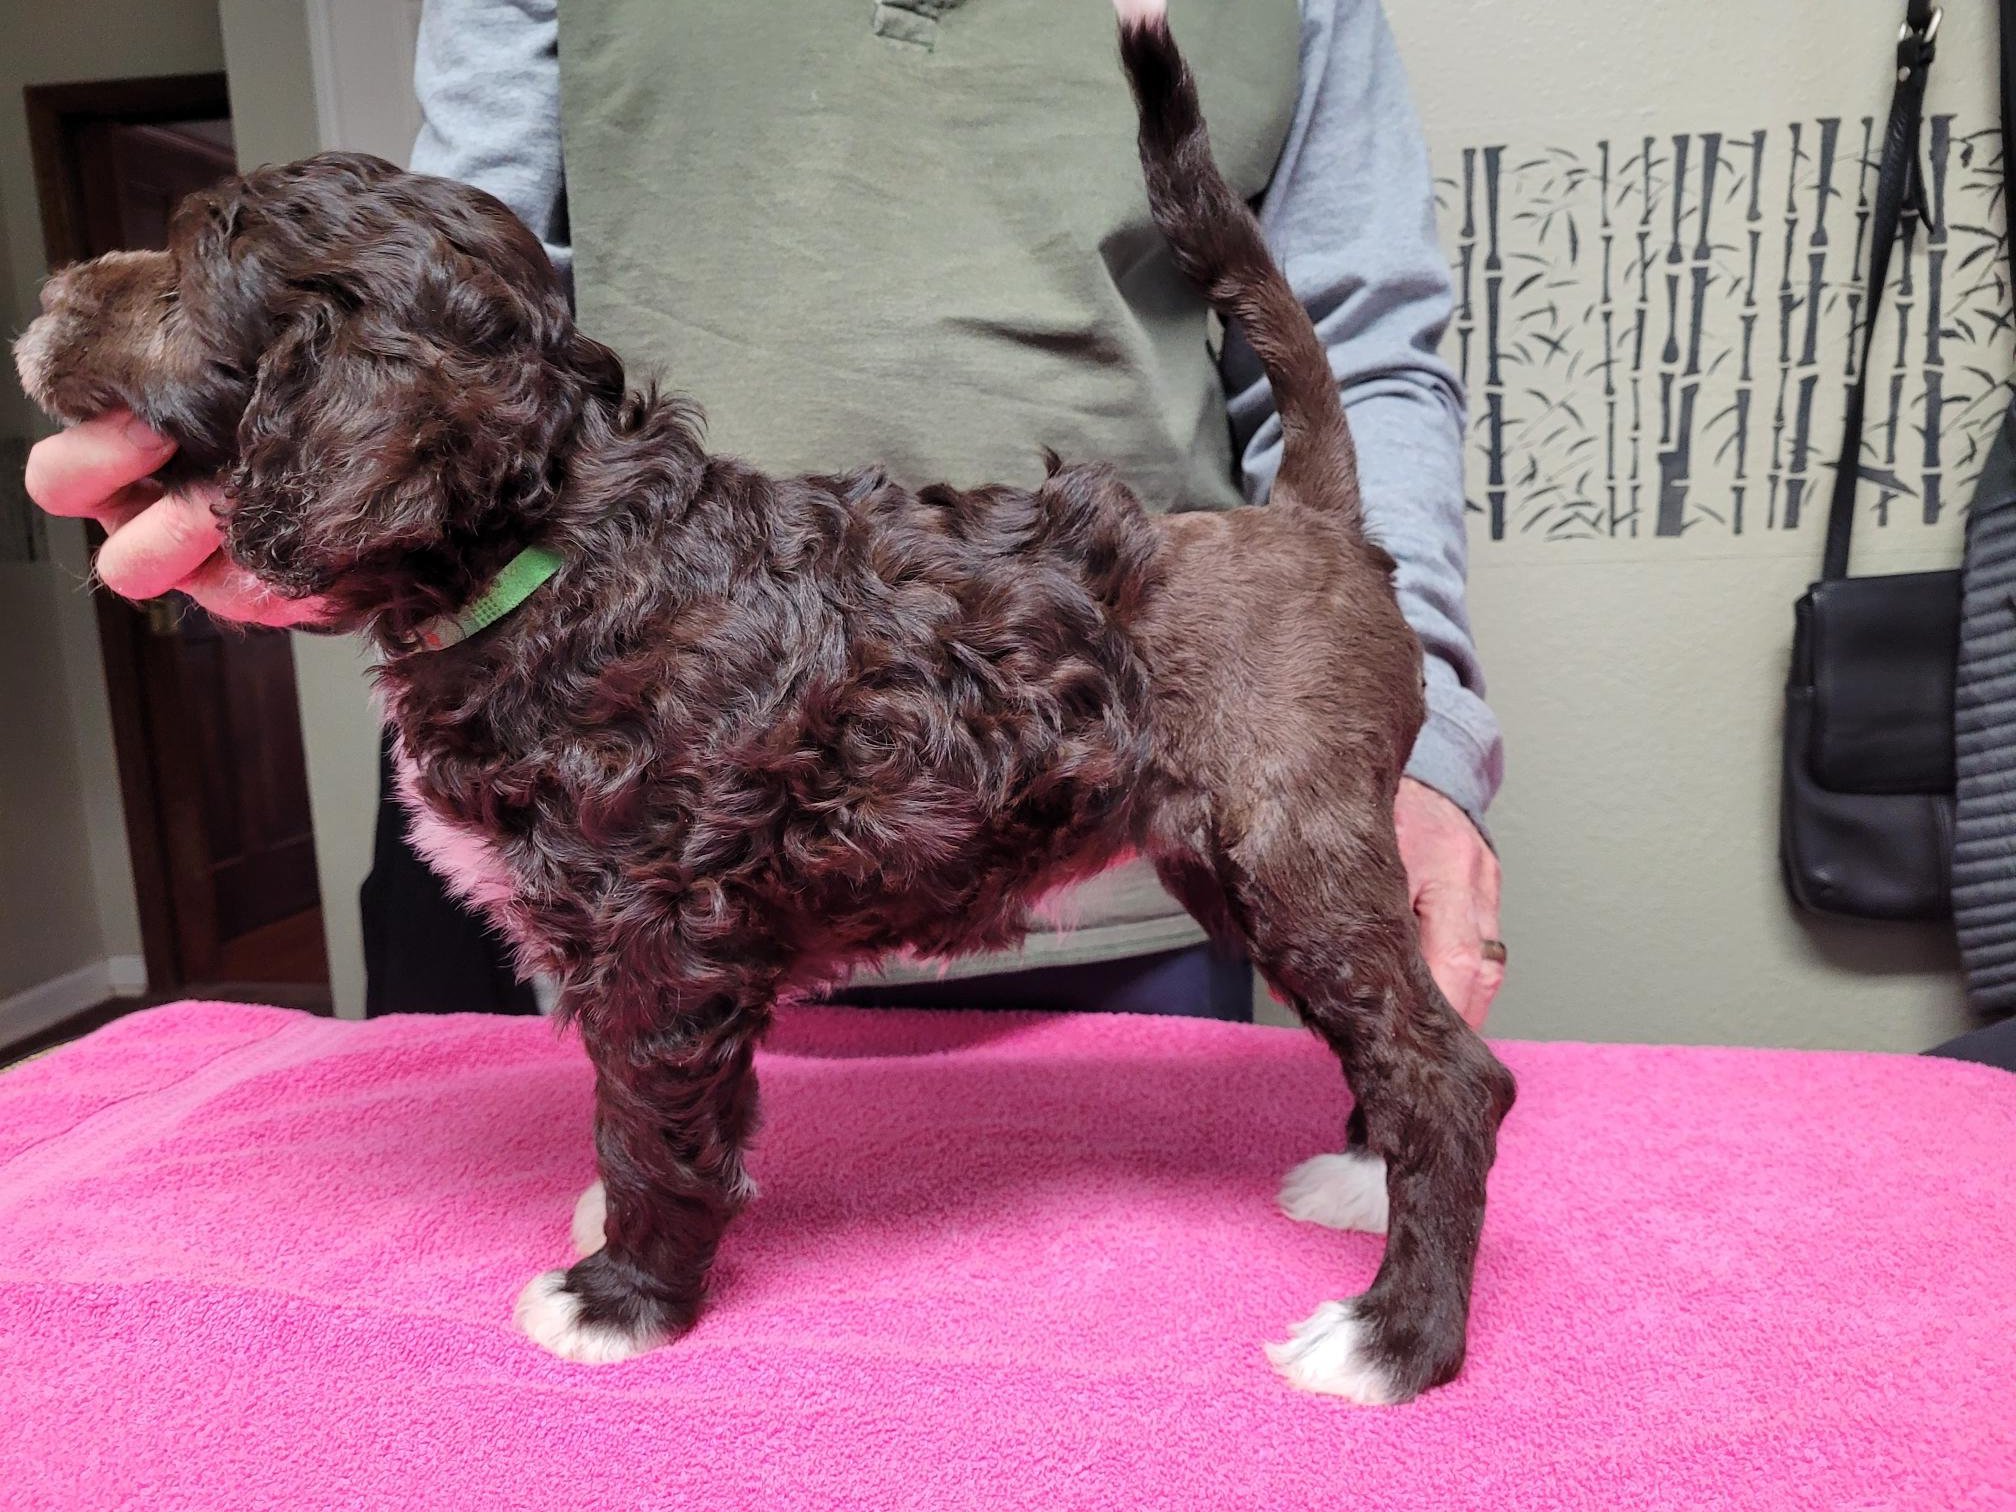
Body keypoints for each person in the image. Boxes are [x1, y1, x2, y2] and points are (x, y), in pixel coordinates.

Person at [24, 0, 1507, 1029]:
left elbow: (1353, 345)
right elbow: (464, 295)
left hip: (1112, 791)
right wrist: (325, 515)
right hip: (609, 762)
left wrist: (1414, 731)